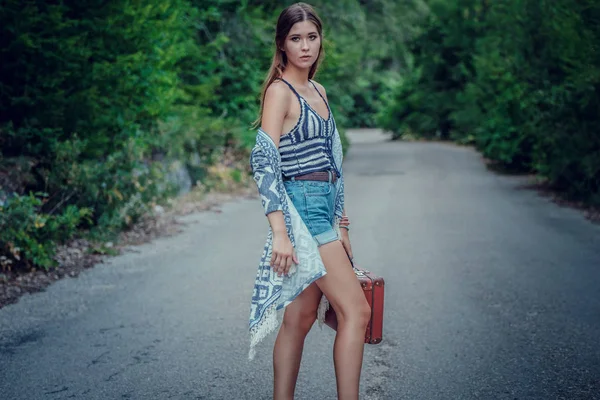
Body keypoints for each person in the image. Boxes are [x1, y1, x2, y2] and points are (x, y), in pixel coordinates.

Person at [248, 3, 372, 400]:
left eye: (312, 37)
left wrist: (343, 225)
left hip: (324, 207)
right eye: (296, 39)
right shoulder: (279, 93)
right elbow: (265, 162)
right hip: (300, 210)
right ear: (282, 45)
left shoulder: (319, 91)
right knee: (358, 312)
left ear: (320, 40)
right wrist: (280, 233)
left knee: (299, 319)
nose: (305, 47)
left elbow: (332, 164)